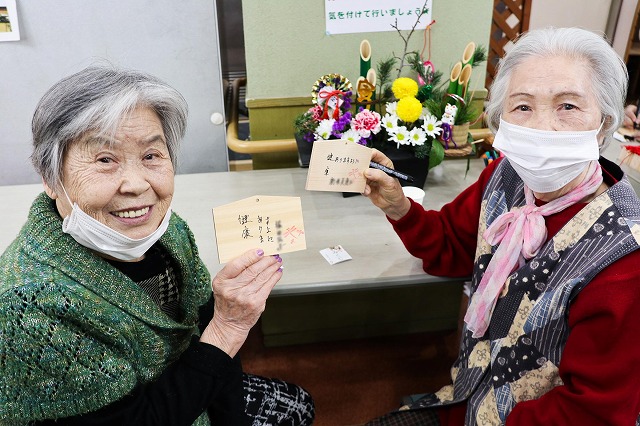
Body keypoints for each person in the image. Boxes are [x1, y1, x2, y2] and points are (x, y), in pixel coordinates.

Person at [0, 65, 315, 425]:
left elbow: (205, 323)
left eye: (151, 156)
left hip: (192, 379)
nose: (136, 185)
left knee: (299, 405)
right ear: (51, 179)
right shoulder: (26, 307)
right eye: (105, 160)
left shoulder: (168, 232)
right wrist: (228, 329)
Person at [362, 27, 640, 425]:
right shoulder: (505, 176)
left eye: (567, 106)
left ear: (603, 124)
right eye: (523, 107)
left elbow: (594, 411)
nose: (542, 127)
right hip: (469, 393)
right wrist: (401, 208)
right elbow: (452, 247)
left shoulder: (625, 261)